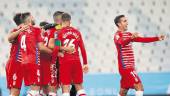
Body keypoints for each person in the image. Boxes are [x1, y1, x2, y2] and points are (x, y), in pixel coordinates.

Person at [17, 12, 71, 96]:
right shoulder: (55, 31)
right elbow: (52, 45)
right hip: (47, 63)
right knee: (50, 91)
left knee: (41, 90)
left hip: (32, 62)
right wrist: (62, 50)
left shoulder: (41, 31)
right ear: (60, 20)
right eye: (63, 19)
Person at [113, 15, 165, 96]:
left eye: (126, 20)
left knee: (123, 92)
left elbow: (142, 40)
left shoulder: (129, 34)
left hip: (130, 67)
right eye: (124, 21)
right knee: (139, 87)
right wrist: (130, 38)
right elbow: (122, 42)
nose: (127, 23)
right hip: (126, 67)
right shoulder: (117, 35)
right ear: (119, 24)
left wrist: (157, 38)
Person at [58, 13, 89, 96]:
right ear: (70, 21)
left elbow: (57, 47)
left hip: (65, 62)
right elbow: (82, 48)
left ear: (61, 21)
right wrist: (85, 63)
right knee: (79, 86)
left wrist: (64, 49)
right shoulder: (77, 32)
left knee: (65, 87)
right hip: (76, 61)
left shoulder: (59, 33)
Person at [6, 13, 29, 96]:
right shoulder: (18, 30)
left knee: (15, 92)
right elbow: (9, 38)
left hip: (18, 64)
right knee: (15, 92)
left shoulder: (28, 31)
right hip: (15, 63)